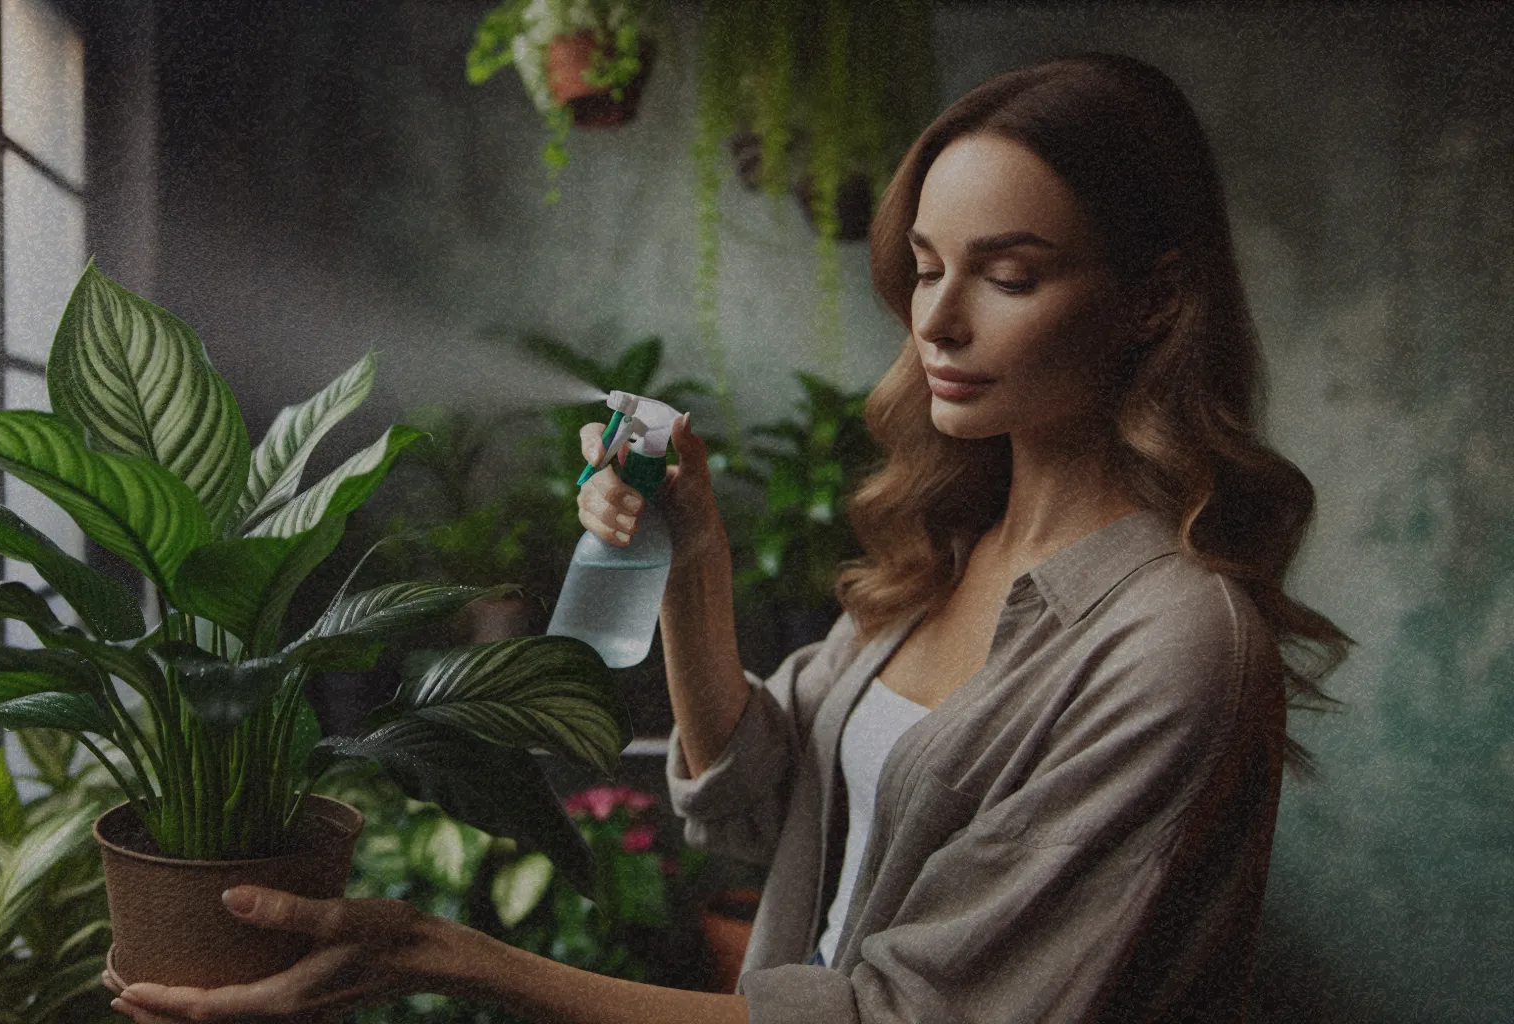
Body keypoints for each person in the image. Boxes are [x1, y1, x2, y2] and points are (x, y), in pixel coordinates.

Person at [107, 51, 1353, 1024]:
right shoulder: (947, 550)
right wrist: (691, 561)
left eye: (1009, 275)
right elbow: (759, 810)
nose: (941, 321)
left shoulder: (1174, 645)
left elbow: (908, 1014)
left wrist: (445, 956)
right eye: (923, 268)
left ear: (1155, 300)